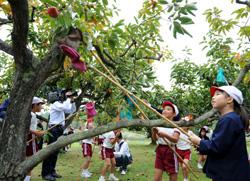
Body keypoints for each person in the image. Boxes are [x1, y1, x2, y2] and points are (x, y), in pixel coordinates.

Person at [189, 85, 250, 181]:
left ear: (229, 99)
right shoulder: (230, 118)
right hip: (229, 173)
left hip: (229, 175)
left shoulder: (229, 119)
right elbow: (223, 146)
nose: (213, 97)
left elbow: (217, 147)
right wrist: (200, 145)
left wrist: (199, 141)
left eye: (217, 94)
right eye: (213, 95)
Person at [41, 90, 76, 181]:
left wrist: (72, 101)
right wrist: (68, 98)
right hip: (54, 129)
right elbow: (65, 107)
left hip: (59, 129)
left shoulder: (60, 104)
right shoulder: (55, 104)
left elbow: (71, 110)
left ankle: (52, 171)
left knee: (55, 151)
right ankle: (46, 173)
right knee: (51, 151)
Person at [151, 101, 180, 181]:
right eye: (164, 109)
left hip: (171, 151)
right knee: (156, 179)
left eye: (168, 109)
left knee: (173, 175)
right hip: (160, 150)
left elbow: (175, 139)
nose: (164, 110)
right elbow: (155, 139)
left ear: (174, 114)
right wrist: (154, 132)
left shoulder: (176, 125)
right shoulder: (159, 124)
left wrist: (165, 135)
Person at [24, 97, 45, 181]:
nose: (41, 107)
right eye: (40, 105)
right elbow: (27, 128)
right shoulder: (31, 115)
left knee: (29, 159)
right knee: (30, 159)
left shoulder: (32, 114)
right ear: (35, 105)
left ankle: (26, 177)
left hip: (30, 137)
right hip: (30, 138)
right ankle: (26, 178)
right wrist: (38, 133)